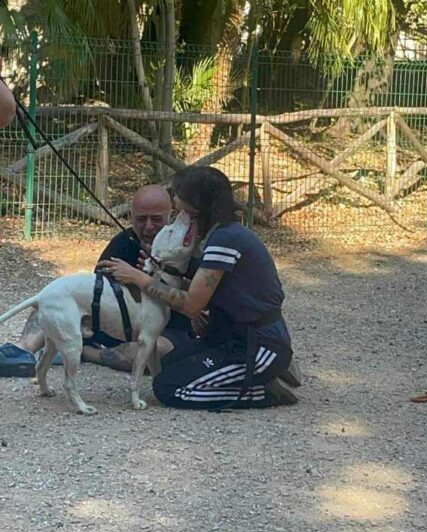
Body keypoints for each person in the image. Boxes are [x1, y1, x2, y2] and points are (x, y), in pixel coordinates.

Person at [100, 166, 299, 408]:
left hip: (255, 344)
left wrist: (138, 278)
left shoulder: (225, 240)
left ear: (199, 209)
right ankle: (260, 376)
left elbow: (192, 304)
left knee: (169, 389)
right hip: (228, 338)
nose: (179, 217)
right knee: (168, 365)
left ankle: (264, 391)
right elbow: (202, 292)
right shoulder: (219, 235)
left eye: (184, 212)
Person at [0, 184, 193, 376]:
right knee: (55, 296)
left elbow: (194, 301)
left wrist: (146, 277)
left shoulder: (185, 246)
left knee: (154, 351)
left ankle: (87, 353)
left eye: (156, 219)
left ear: (170, 216)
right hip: (114, 323)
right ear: (131, 217)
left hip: (168, 329)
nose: (149, 227)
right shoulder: (123, 243)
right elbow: (96, 290)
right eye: (141, 219)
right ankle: (23, 349)